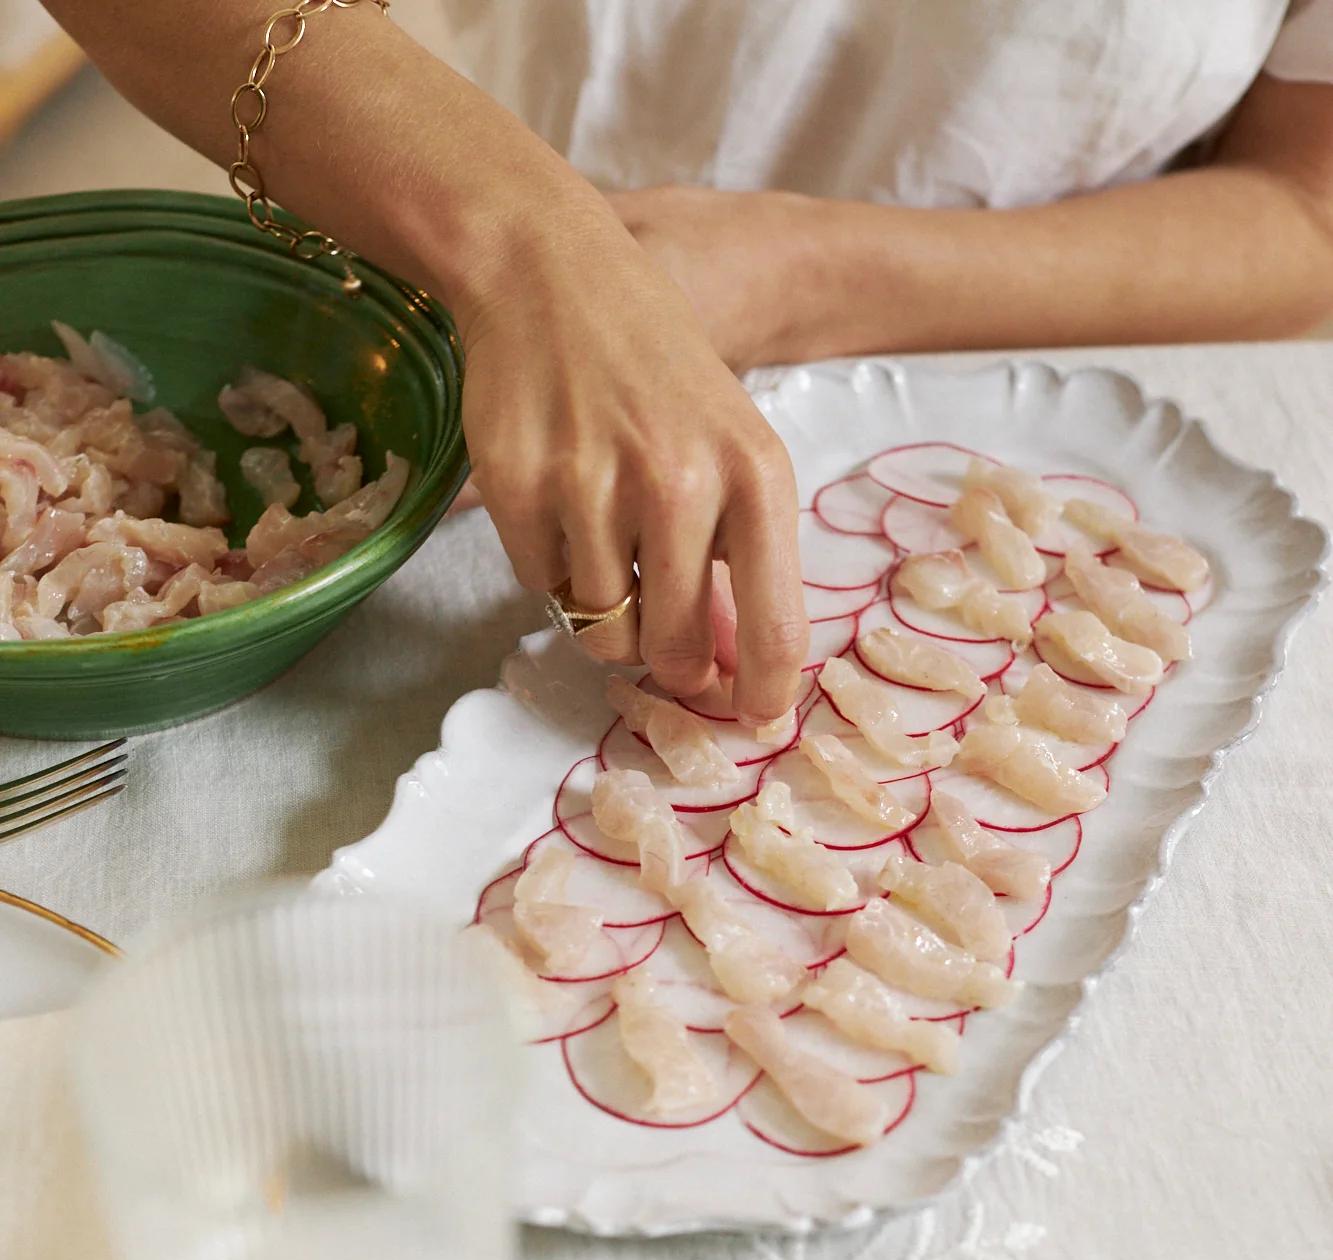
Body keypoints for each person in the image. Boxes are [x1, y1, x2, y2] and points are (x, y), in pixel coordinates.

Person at [41, 1, 1333, 726]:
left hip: (1026, 387)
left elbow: (1309, 213)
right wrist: (534, 246)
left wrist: (799, 272)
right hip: (413, 285)